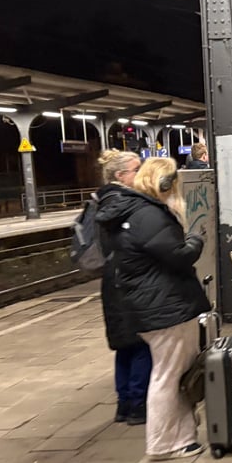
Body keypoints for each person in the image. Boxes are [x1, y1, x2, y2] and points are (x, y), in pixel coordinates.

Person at [96, 157, 210, 460]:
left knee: (172, 373)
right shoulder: (148, 214)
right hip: (166, 306)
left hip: (153, 305)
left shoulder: (130, 211)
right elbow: (177, 256)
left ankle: (182, 437)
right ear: (163, 183)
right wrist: (196, 240)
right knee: (168, 376)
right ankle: (163, 443)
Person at [95, 149, 151, 426]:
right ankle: (139, 406)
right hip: (131, 280)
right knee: (141, 344)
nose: (140, 173)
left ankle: (124, 404)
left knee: (124, 345)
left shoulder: (101, 202)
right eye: (136, 169)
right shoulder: (129, 204)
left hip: (112, 280)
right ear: (120, 176)